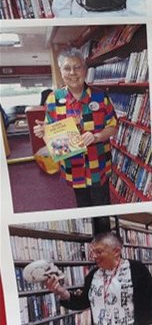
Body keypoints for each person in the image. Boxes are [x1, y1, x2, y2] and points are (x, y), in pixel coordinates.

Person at [33, 47, 118, 207]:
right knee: (83, 208)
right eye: (67, 68)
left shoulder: (100, 96)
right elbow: (50, 131)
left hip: (98, 164)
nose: (72, 73)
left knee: (103, 210)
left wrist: (97, 136)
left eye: (77, 67)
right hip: (73, 167)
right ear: (61, 71)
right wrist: (43, 131)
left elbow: (113, 127)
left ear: (85, 70)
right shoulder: (53, 99)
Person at [44, 232, 152, 325]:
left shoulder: (137, 270)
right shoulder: (93, 275)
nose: (93, 256)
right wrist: (61, 292)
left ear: (116, 252)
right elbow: (83, 302)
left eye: (98, 252)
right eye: (92, 252)